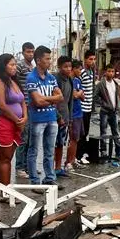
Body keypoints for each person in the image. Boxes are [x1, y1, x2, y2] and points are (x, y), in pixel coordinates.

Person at [0, 53, 27, 200]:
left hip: (16, 123)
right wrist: (17, 119)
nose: (14, 67)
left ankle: (7, 190)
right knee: (4, 159)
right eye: (11, 64)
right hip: (3, 122)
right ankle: (3, 193)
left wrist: (25, 117)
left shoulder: (13, 81)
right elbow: (1, 105)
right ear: (3, 66)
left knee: (9, 158)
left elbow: (23, 101)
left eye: (15, 64)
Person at [26, 46, 63, 187]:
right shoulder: (31, 78)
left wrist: (45, 99)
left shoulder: (51, 77)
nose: (49, 61)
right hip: (37, 120)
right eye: (47, 59)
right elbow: (37, 101)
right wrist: (51, 98)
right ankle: (34, 181)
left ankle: (50, 177)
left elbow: (60, 97)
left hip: (51, 118)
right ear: (39, 60)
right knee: (34, 150)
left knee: (49, 150)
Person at [14, 42, 35, 179]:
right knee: (23, 139)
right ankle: (20, 167)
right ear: (23, 52)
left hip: (31, 107)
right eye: (28, 52)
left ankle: (27, 167)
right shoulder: (20, 66)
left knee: (30, 139)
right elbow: (14, 82)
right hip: (23, 107)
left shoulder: (32, 67)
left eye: (32, 52)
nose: (31, 54)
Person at [96, 66, 120, 159]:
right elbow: (95, 96)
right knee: (103, 132)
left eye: (112, 71)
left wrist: (118, 105)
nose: (111, 73)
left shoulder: (116, 83)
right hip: (104, 111)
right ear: (105, 72)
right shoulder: (101, 84)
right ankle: (103, 151)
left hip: (114, 111)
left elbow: (118, 95)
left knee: (116, 131)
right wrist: (103, 103)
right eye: (109, 71)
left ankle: (118, 150)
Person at [54, 56, 74, 177]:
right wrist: (58, 117)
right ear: (59, 67)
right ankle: (51, 170)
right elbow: (54, 101)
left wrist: (69, 118)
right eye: (65, 66)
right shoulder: (56, 79)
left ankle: (58, 167)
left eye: (69, 66)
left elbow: (70, 101)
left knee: (61, 143)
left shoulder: (69, 80)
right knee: (54, 144)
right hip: (56, 118)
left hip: (66, 117)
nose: (68, 69)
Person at [76, 50, 97, 163]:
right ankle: (78, 156)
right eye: (90, 59)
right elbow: (78, 88)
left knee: (86, 132)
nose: (92, 61)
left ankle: (81, 154)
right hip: (82, 107)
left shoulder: (91, 72)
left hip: (88, 107)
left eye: (94, 59)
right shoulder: (82, 72)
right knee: (81, 133)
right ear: (85, 60)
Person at [66, 59, 86, 171]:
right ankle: (68, 162)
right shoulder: (70, 81)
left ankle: (73, 160)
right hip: (72, 113)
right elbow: (74, 95)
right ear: (73, 69)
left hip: (79, 112)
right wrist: (78, 93)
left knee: (76, 138)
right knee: (72, 138)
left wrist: (78, 94)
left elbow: (83, 96)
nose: (80, 71)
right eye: (79, 69)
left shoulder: (78, 80)